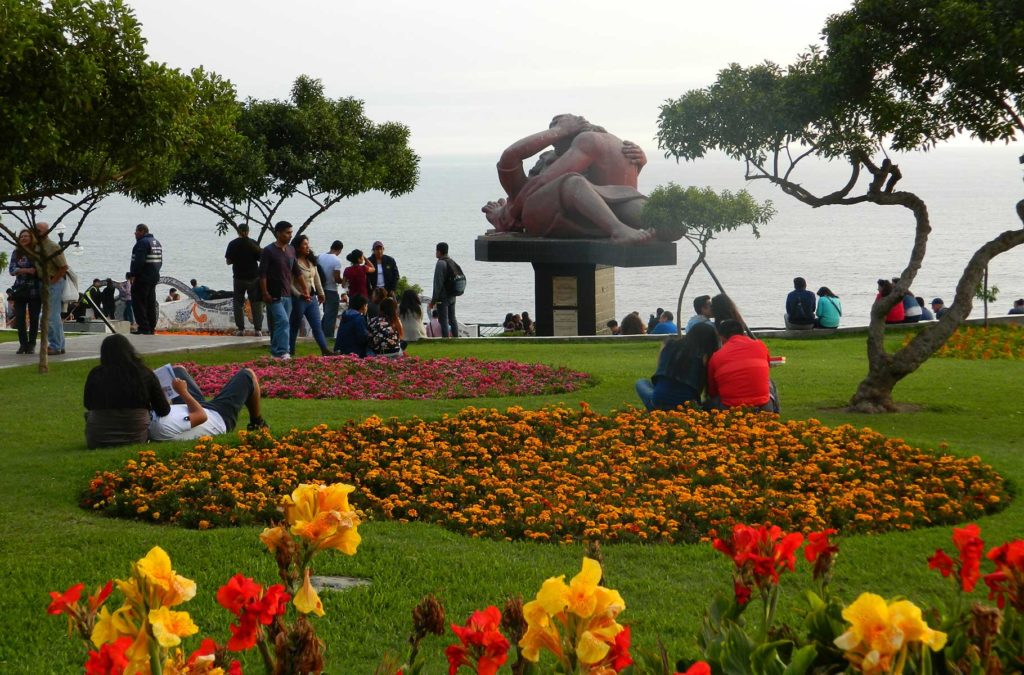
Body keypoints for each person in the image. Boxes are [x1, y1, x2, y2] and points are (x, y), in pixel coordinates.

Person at [482, 114, 657, 243]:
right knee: (572, 182)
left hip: (594, 212)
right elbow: (510, 157)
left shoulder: (581, 156)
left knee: (663, 220)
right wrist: (560, 130)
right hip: (547, 214)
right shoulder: (532, 184)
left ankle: (628, 226)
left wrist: (638, 163)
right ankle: (618, 229)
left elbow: (612, 184)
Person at [83, 334, 169, 448]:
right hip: (135, 437)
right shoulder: (144, 373)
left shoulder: (95, 373)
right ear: (130, 350)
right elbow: (163, 410)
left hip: (98, 439)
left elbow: (88, 404)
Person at [148, 365, 267, 442]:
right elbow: (201, 415)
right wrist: (182, 392)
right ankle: (257, 423)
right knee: (247, 374)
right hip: (216, 417)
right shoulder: (162, 427)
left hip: (190, 408)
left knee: (177, 370)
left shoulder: (150, 417)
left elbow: (165, 409)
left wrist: (162, 394)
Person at [636, 322, 720, 411]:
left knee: (641, 383)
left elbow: (658, 372)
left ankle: (656, 408)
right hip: (688, 406)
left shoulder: (668, 344)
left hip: (659, 401)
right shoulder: (704, 356)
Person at [706, 319, 775, 411]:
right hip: (763, 406)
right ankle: (775, 413)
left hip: (730, 408)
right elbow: (766, 368)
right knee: (770, 382)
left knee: (707, 403)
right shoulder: (761, 346)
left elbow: (712, 390)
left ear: (721, 337)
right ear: (742, 332)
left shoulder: (716, 356)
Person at [289, 234, 331, 356]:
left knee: (317, 326)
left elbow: (316, 277)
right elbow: (290, 284)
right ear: (297, 247)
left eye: (308, 244)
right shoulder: (294, 262)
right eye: (304, 245)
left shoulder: (311, 260)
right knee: (294, 325)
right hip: (299, 299)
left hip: (311, 298)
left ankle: (325, 350)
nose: (308, 247)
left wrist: (321, 293)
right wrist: (298, 295)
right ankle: (290, 350)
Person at [259, 221, 297, 360]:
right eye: (287, 233)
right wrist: (265, 293)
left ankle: (275, 352)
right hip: (273, 294)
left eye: (291, 233)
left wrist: (304, 289)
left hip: (287, 294)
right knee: (283, 321)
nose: (290, 235)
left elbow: (295, 271)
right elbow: (262, 274)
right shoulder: (268, 251)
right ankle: (283, 351)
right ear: (278, 233)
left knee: (280, 324)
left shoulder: (291, 250)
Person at [35, 221, 70, 353]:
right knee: (53, 315)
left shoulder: (53, 247)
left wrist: (52, 282)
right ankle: (59, 345)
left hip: (53, 282)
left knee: (51, 315)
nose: (36, 233)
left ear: (47, 232)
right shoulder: (38, 246)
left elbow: (63, 267)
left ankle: (55, 345)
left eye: (39, 230)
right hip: (44, 281)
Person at [225, 223, 264, 337]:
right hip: (253, 277)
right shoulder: (253, 243)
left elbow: (228, 261)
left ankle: (241, 329)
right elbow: (260, 258)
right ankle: (258, 329)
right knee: (256, 303)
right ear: (248, 231)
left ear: (238, 231)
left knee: (238, 303)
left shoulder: (232, 244)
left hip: (238, 278)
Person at [8, 229, 42, 354]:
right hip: (20, 289)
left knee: (34, 318)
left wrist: (21, 269)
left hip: (35, 290)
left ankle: (31, 344)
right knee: (20, 318)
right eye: (21, 236)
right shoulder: (17, 253)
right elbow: (12, 270)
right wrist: (26, 270)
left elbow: (39, 269)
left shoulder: (37, 252)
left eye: (26, 236)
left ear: (31, 238)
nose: (23, 238)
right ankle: (23, 344)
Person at [430, 242, 461, 338]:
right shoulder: (451, 261)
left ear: (439, 251)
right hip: (452, 295)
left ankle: (446, 340)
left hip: (443, 298)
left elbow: (437, 284)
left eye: (436, 251)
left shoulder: (440, 263)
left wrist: (433, 300)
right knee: (452, 319)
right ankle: (456, 338)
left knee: (443, 320)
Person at [317, 239, 344, 337]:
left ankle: (320, 333)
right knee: (331, 315)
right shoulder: (337, 260)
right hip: (332, 289)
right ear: (340, 250)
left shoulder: (320, 257)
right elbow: (336, 278)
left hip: (321, 289)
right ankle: (328, 336)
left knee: (326, 313)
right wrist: (344, 281)